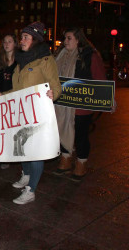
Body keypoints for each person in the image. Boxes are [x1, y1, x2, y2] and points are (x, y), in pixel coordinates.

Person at [0, 22, 61, 204]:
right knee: (22, 147)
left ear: (35, 40)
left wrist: (53, 94)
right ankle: (27, 175)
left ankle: (31, 190)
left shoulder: (45, 60)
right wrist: (2, 95)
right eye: (21, 37)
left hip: (37, 114)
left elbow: (56, 86)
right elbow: (18, 90)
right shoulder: (20, 62)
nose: (21, 41)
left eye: (25, 37)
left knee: (36, 151)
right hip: (21, 112)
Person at [52, 28, 109, 181]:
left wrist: (106, 99)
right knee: (63, 128)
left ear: (78, 40)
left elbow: (99, 79)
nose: (65, 42)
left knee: (81, 136)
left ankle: (81, 163)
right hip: (62, 104)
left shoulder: (89, 56)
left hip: (81, 106)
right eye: (65, 38)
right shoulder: (60, 56)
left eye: (69, 38)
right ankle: (65, 159)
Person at [0, 34, 18, 170]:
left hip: (15, 98)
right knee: (2, 128)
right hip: (1, 97)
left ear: (15, 44)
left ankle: (15, 153)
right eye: (5, 41)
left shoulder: (20, 61)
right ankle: (4, 155)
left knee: (14, 128)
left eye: (10, 41)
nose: (7, 44)